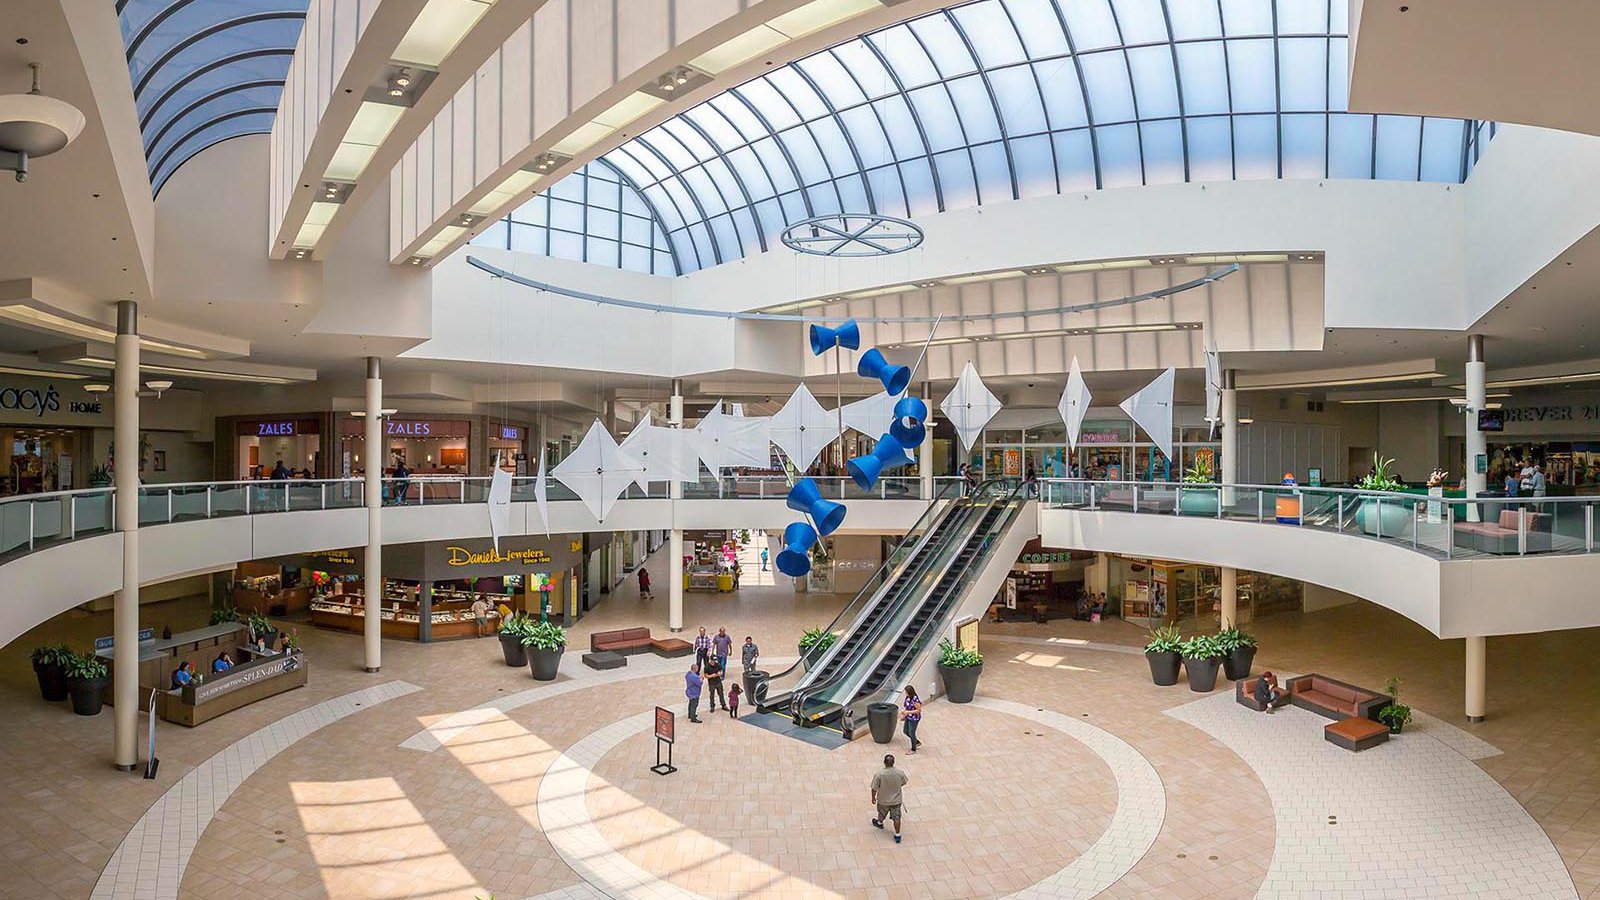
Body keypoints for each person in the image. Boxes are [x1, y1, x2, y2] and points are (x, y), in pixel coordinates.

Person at [870, 753, 910, 843]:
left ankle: (880, 823)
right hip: (896, 800)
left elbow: (874, 788)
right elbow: (903, 782)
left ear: (884, 762)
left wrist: (873, 797)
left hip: (883, 800)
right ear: (893, 762)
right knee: (897, 818)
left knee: (881, 812)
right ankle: (897, 834)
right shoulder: (900, 772)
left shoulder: (879, 774)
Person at [901, 686, 923, 752]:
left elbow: (918, 710)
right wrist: (904, 715)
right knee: (905, 731)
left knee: (911, 733)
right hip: (908, 717)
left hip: (914, 719)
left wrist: (908, 712)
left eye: (906, 692)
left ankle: (913, 749)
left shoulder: (915, 700)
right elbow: (907, 707)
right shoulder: (907, 698)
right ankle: (916, 742)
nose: (905, 693)